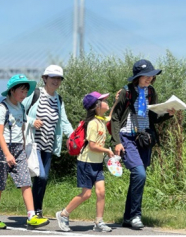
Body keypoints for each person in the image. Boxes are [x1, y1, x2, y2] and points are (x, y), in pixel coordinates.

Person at [110, 59, 176, 229]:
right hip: (127, 138)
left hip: (144, 139)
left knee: (137, 178)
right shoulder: (126, 92)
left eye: (151, 76)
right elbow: (115, 118)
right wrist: (116, 142)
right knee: (139, 174)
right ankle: (136, 216)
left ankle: (127, 217)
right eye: (146, 76)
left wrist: (168, 114)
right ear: (137, 77)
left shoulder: (151, 92)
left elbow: (152, 118)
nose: (149, 79)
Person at [0, 74, 50, 230]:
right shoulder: (2, 109)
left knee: (25, 181)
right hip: (3, 149)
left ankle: (31, 216)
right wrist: (7, 154)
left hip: (18, 148)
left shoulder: (21, 107)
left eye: (26, 91)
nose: (25, 95)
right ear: (12, 90)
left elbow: (23, 125)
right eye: (22, 91)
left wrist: (23, 147)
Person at [56, 91, 115, 233]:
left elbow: (112, 117)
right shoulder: (93, 124)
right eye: (103, 100)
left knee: (101, 192)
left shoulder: (101, 119)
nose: (107, 101)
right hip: (86, 162)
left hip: (97, 163)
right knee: (87, 194)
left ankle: (99, 222)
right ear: (96, 106)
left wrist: (118, 101)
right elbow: (92, 146)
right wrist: (107, 151)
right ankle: (63, 214)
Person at [22, 65, 74, 218]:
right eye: (53, 77)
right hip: (33, 143)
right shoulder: (35, 94)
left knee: (43, 179)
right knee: (41, 176)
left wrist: (73, 137)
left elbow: (64, 121)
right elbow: (19, 111)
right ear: (45, 78)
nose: (56, 81)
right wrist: (32, 121)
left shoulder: (58, 99)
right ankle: (34, 210)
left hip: (49, 145)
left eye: (58, 78)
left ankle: (36, 210)